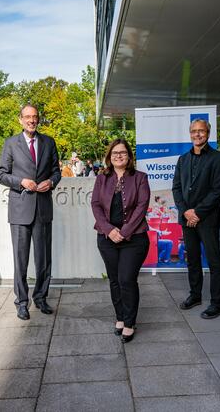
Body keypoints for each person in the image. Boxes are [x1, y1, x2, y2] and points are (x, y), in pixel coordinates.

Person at [0, 104, 61, 320]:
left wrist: (51, 183)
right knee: (20, 259)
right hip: (20, 209)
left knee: (43, 259)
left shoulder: (48, 142)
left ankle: (41, 297)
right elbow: (1, 175)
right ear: (20, 120)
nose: (31, 120)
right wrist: (21, 182)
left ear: (38, 120)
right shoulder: (10, 144)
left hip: (43, 208)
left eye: (34, 117)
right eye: (27, 117)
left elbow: (56, 172)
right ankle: (21, 302)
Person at [91, 139, 150, 343]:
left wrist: (123, 232)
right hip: (107, 238)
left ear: (129, 156)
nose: (118, 156)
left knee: (126, 279)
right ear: (109, 156)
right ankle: (120, 316)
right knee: (115, 279)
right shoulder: (101, 179)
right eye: (115, 153)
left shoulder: (140, 178)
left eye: (123, 152)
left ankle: (130, 322)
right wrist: (109, 230)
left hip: (134, 239)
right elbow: (96, 205)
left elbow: (142, 207)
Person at [172, 119, 220, 319]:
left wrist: (197, 213)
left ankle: (216, 303)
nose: (197, 135)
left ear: (208, 133)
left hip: (208, 219)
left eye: (201, 131)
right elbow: (176, 188)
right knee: (193, 259)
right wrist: (186, 211)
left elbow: (218, 190)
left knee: (214, 261)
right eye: (194, 131)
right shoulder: (182, 159)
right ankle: (195, 295)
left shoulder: (218, 158)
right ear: (190, 134)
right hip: (187, 219)